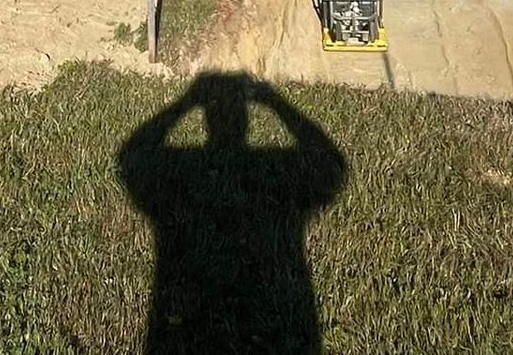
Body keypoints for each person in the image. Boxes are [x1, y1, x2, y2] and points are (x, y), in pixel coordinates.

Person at [118, 73, 346, 354]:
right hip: (275, 311)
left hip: (182, 311)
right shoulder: (276, 172)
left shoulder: (178, 174)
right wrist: (274, 102)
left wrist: (185, 102)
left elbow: (132, 156)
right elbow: (328, 162)